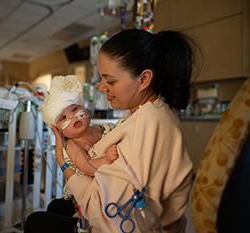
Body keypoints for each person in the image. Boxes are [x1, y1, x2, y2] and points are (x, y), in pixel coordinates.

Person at [25, 28, 202, 233]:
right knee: (56, 206)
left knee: (36, 222)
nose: (102, 87)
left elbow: (104, 215)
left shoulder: (147, 125)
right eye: (101, 78)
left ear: (144, 79)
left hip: (132, 225)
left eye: (110, 80)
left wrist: (64, 164)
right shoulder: (144, 111)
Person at [40, 75, 119, 200]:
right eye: (63, 118)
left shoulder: (102, 130)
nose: (72, 117)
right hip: (87, 193)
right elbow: (87, 167)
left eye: (75, 109)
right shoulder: (74, 145)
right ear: (60, 132)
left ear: (86, 111)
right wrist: (107, 160)